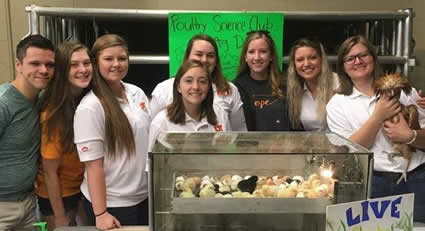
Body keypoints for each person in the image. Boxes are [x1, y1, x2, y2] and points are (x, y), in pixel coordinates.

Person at [326, 35, 425, 222]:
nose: (358, 61)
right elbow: (349, 151)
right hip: (374, 182)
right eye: (350, 58)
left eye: (363, 55)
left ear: (373, 57)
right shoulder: (337, 104)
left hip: (417, 178)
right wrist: (378, 116)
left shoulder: (405, 91)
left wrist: (410, 135)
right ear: (343, 66)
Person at [73, 34, 150, 230]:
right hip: (113, 204)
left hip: (143, 196)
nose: (116, 64)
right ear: (96, 62)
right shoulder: (90, 107)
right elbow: (93, 166)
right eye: (108, 59)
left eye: (122, 58)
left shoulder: (136, 93)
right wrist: (101, 213)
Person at [35, 41, 92, 231]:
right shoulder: (53, 112)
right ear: (62, 70)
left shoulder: (86, 100)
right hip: (58, 196)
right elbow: (49, 172)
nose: (83, 69)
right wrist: (59, 218)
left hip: (80, 190)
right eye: (74, 65)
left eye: (86, 63)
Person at [0, 35, 55, 230]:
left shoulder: (39, 100)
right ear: (18, 65)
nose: (43, 70)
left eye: (49, 64)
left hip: (28, 205)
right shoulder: (3, 102)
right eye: (35, 63)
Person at [150, 34, 246, 131]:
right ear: (187, 57)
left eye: (210, 56)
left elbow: (238, 134)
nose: (204, 60)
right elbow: (152, 127)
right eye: (199, 54)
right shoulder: (163, 89)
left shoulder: (229, 90)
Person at [149, 60, 231, 151]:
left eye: (202, 81)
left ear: (208, 87)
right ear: (178, 87)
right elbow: (151, 163)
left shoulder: (220, 115)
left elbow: (229, 155)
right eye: (188, 81)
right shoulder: (161, 122)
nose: (196, 87)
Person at [233, 30, 291, 131]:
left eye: (263, 52)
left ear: (271, 56)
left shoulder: (286, 84)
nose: (257, 57)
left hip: (282, 144)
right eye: (251, 52)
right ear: (245, 57)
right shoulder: (235, 88)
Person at [286, 38, 338, 131]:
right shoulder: (295, 91)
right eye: (300, 59)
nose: (306, 64)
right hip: (313, 144)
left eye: (312, 58)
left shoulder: (338, 83)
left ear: (321, 59)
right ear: (294, 64)